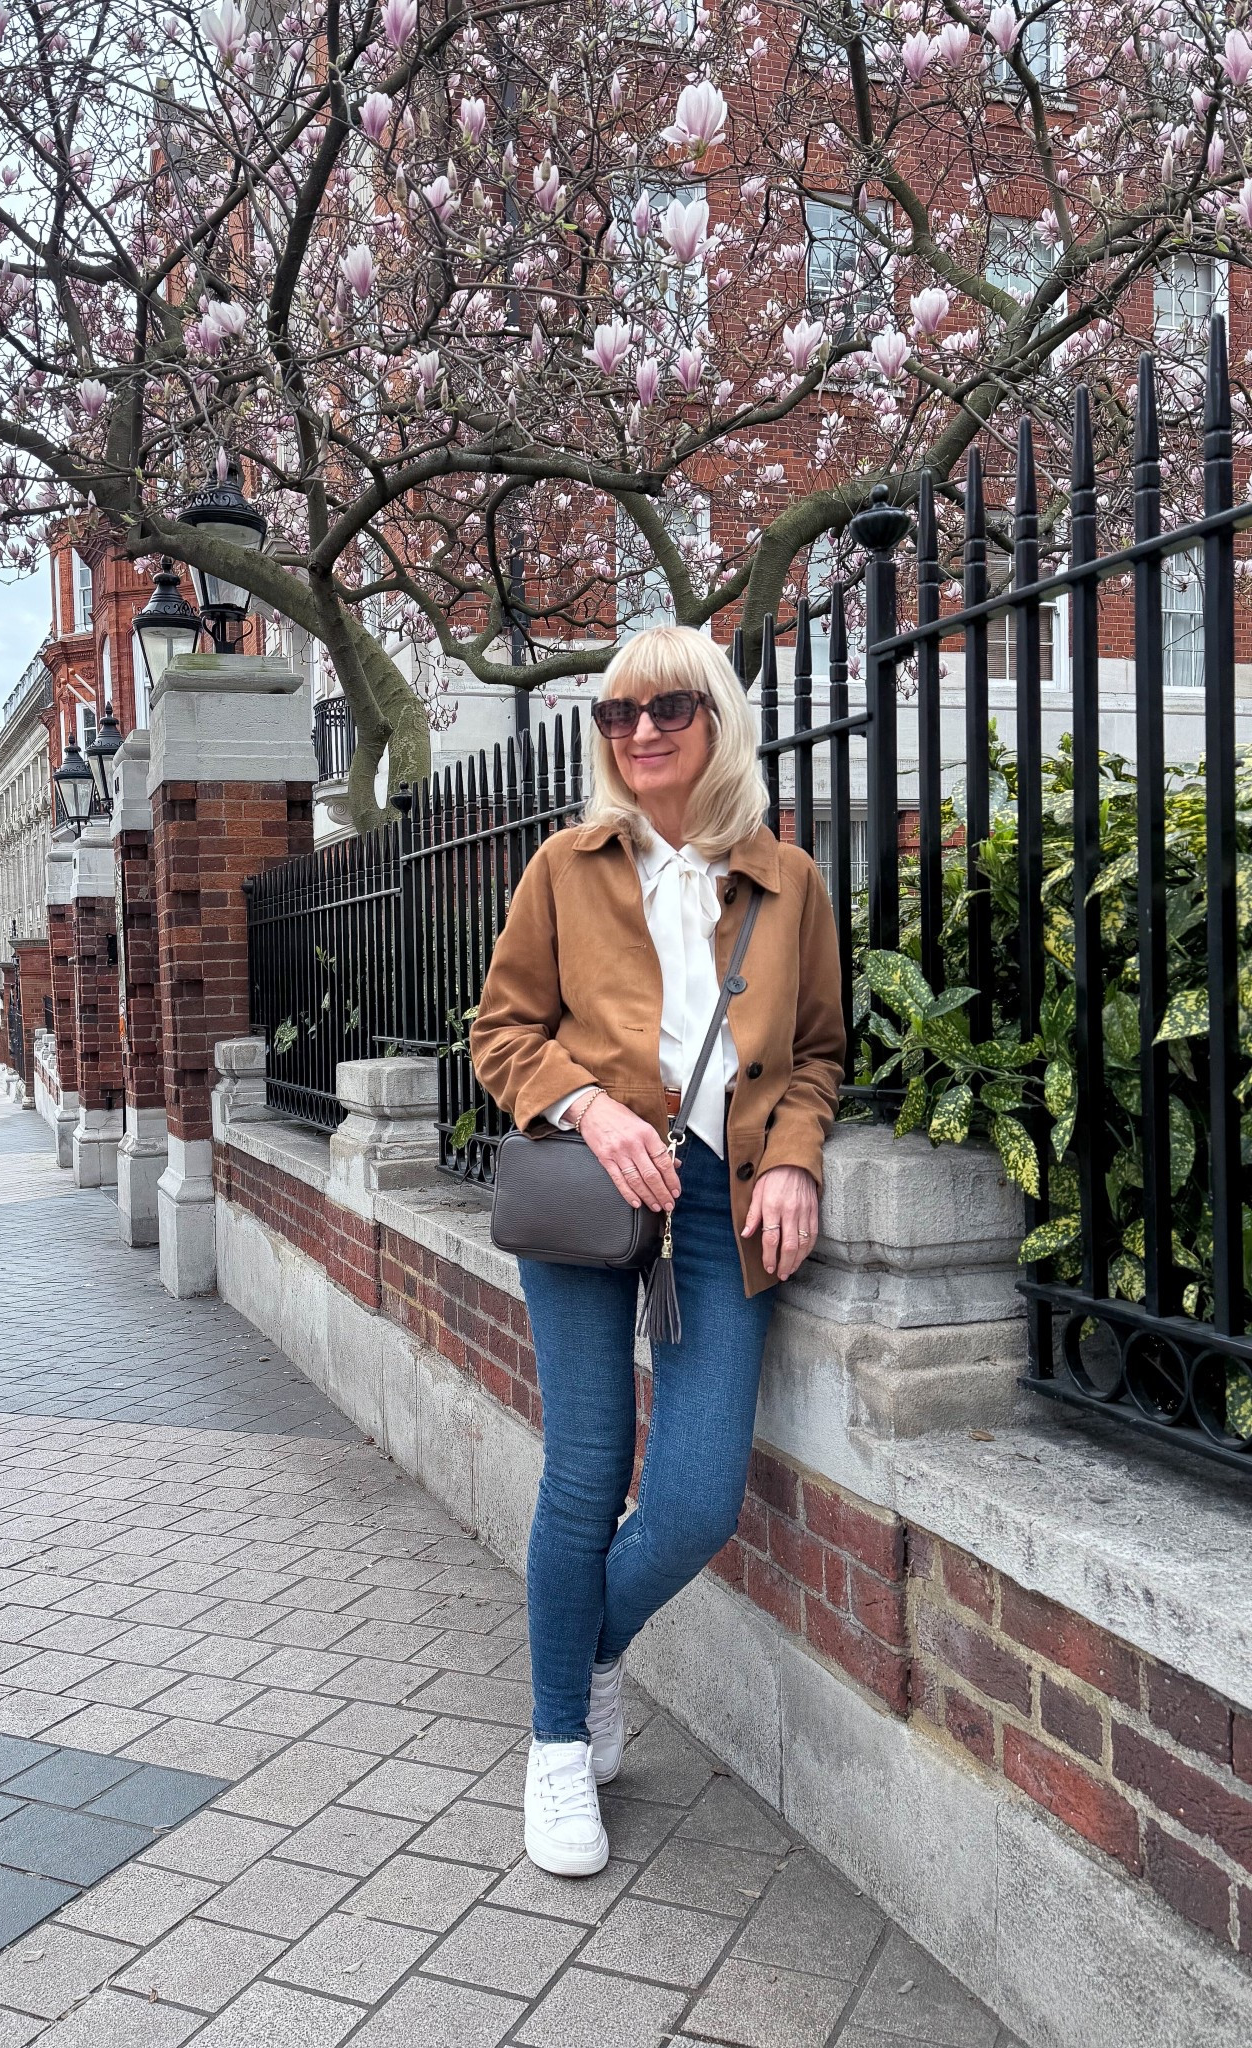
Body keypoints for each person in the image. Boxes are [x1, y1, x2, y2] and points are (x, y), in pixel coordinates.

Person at [471, 623, 845, 1877]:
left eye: (667, 709)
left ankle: (578, 1646)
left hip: (720, 1199)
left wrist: (794, 1151)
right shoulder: (563, 868)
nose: (639, 733)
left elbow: (820, 1055)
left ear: (717, 720)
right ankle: (558, 1739)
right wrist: (589, 1102)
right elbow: (502, 1031)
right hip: (590, 1179)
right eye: (618, 714)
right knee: (584, 1473)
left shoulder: (789, 877)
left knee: (692, 1497)